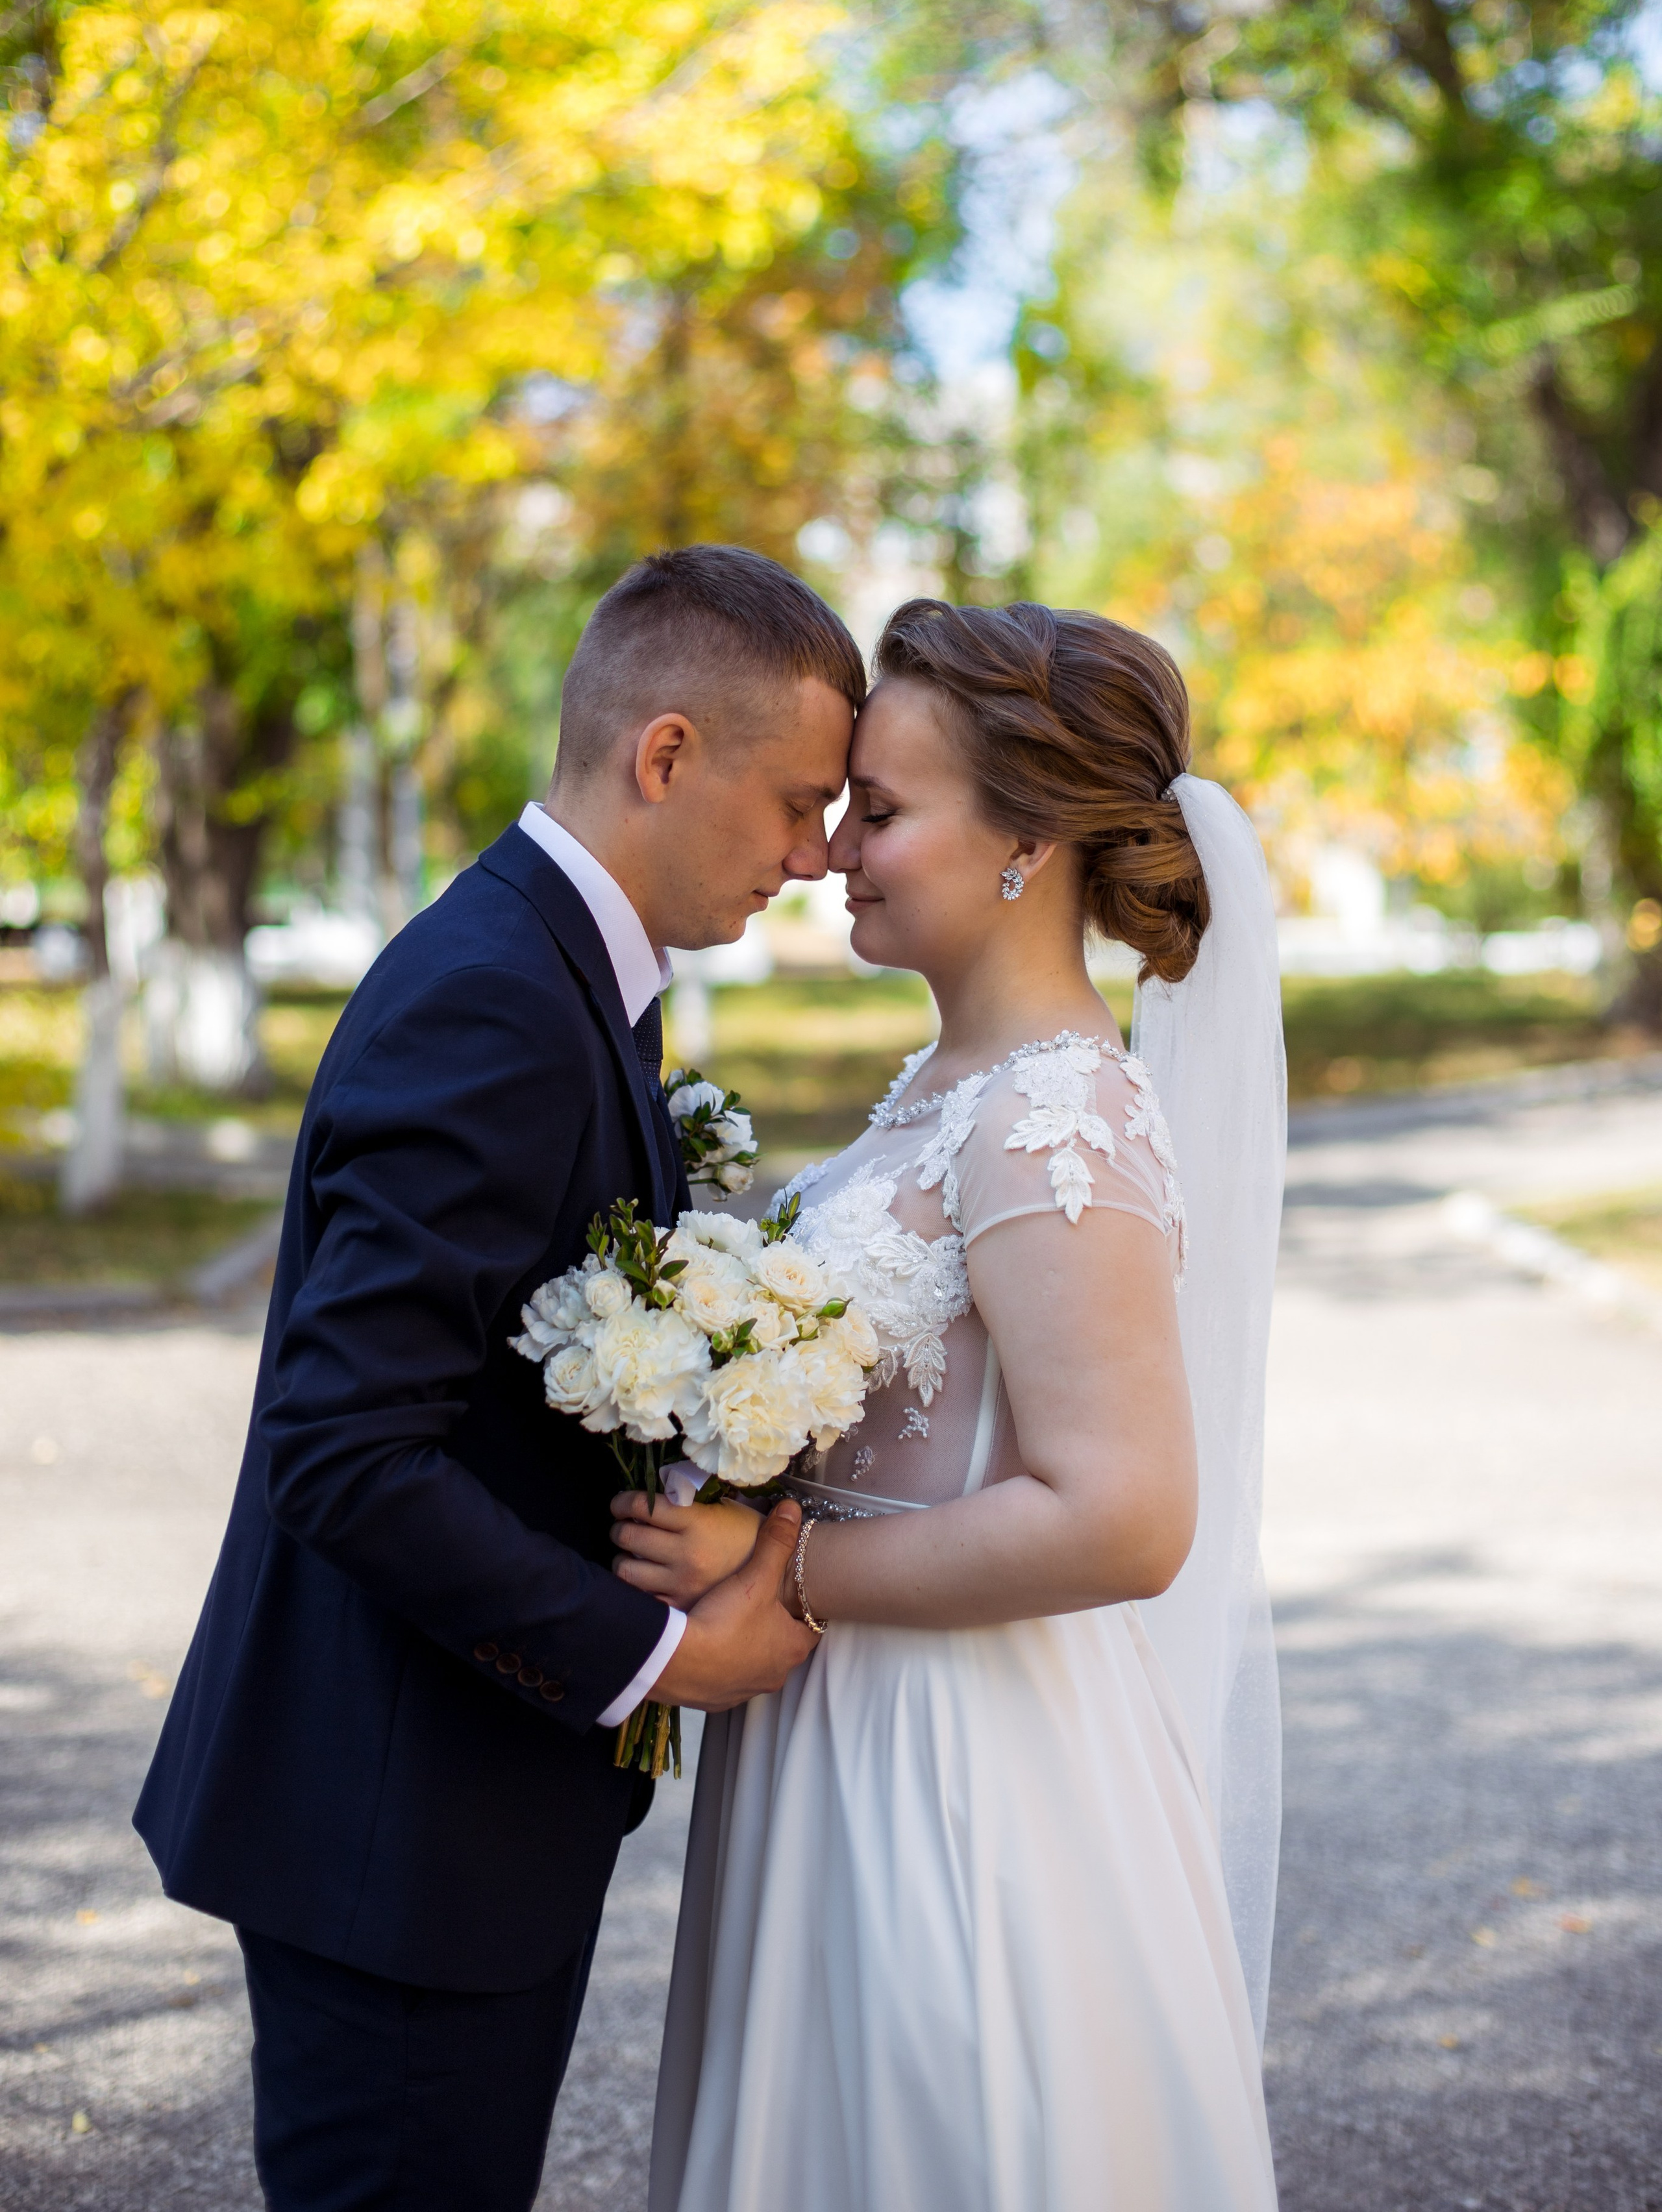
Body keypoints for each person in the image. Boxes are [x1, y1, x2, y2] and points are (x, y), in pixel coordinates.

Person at [133, 545, 865, 2212]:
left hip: (444, 1819)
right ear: (664, 754)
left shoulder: (567, 978)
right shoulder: (498, 1004)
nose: (814, 859)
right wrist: (657, 1655)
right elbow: (343, 1451)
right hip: (392, 1833)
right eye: (797, 803)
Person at [619, 598, 1288, 2212]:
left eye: (884, 810)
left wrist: (778, 1570)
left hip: (961, 1768)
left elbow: (1124, 1517)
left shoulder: (1056, 1114)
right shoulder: (941, 1092)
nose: (834, 846)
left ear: (1026, 846)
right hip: (836, 1734)